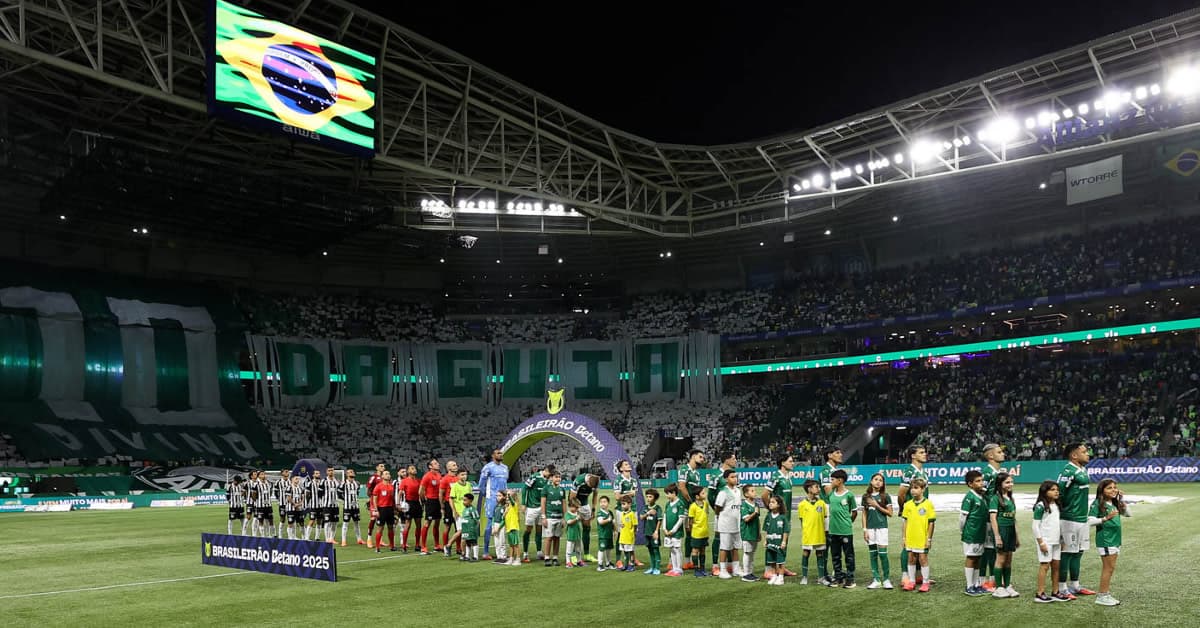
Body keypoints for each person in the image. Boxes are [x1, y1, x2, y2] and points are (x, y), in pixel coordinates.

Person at [1056, 443, 1096, 599]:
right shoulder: (1068, 471)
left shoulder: (1083, 470)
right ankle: (1062, 588)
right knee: (1067, 553)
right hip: (1069, 519)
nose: (1088, 454)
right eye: (1084, 452)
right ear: (1074, 455)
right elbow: (1058, 494)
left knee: (1078, 553)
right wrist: (1064, 512)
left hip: (1082, 518)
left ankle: (1075, 585)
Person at [1088, 478, 1127, 607]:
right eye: (1109, 488)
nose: (1113, 490)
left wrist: (1122, 501)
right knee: (1108, 568)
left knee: (1110, 568)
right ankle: (1102, 596)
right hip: (1106, 540)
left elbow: (1128, 514)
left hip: (1115, 539)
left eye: (1115, 487)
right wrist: (1105, 518)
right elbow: (1089, 521)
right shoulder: (1098, 503)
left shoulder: (1114, 502)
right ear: (1102, 490)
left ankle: (1105, 594)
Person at [897, 444, 929, 587]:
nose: (925, 454)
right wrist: (903, 509)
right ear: (913, 456)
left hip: (923, 513)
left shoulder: (923, 472)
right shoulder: (909, 471)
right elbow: (901, 494)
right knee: (908, 545)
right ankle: (905, 576)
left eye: (924, 452)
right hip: (912, 513)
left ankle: (918, 575)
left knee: (921, 544)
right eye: (921, 452)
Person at [1031, 480, 1064, 603]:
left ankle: (1055, 592)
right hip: (1046, 541)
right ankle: (1040, 593)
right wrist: (1041, 542)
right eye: (1052, 490)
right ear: (1045, 491)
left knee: (1056, 566)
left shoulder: (1057, 505)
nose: (1056, 492)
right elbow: (1035, 526)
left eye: (1057, 490)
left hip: (1056, 541)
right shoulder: (1041, 506)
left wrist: (1061, 540)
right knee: (1045, 566)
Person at [988, 472, 1019, 598]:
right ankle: (998, 587)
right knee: (1000, 558)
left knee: (1009, 559)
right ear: (1000, 484)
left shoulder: (1011, 498)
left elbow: (1013, 518)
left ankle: (1007, 585)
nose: (1010, 484)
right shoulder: (995, 499)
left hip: (1011, 530)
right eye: (1007, 482)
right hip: (1001, 530)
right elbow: (993, 518)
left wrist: (1017, 535)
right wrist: (997, 536)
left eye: (1011, 482)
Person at [705, 452, 738, 574]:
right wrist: (717, 511)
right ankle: (715, 565)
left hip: (733, 513)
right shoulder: (716, 476)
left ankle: (729, 565)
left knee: (732, 538)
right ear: (726, 460)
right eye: (733, 458)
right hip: (721, 512)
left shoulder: (734, 475)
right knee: (719, 537)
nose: (736, 460)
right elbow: (710, 496)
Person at [901, 477, 936, 593]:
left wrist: (929, 539)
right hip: (911, 537)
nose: (913, 490)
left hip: (922, 537)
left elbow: (931, 523)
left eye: (916, 488)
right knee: (911, 558)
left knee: (922, 559)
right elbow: (905, 522)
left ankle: (925, 582)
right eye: (912, 488)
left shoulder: (928, 504)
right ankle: (911, 581)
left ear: (923, 489)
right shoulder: (908, 505)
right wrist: (904, 537)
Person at [861, 471, 894, 590]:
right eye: (876, 479)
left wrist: (877, 505)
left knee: (883, 554)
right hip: (870, 529)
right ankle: (876, 579)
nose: (878, 482)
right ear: (871, 481)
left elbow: (890, 513)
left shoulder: (885, 496)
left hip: (882, 528)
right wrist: (865, 530)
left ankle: (886, 579)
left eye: (880, 480)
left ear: (883, 483)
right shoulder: (866, 497)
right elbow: (864, 514)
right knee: (873, 554)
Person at [979, 443, 1005, 592]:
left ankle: (993, 578)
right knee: (988, 548)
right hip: (989, 517)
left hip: (997, 515)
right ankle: (985, 580)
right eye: (999, 452)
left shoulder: (998, 472)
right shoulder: (987, 473)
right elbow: (981, 493)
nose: (1003, 454)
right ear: (990, 455)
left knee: (994, 548)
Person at [827, 468, 858, 588]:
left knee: (849, 556)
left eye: (833, 479)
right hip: (833, 530)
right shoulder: (831, 494)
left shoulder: (849, 495)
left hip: (845, 530)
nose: (831, 482)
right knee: (835, 555)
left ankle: (850, 579)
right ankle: (838, 578)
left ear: (840, 480)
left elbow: (854, 512)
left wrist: (848, 523)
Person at [960, 469, 989, 596]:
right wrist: (963, 530)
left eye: (981, 480)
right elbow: (962, 517)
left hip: (981, 533)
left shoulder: (983, 496)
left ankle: (977, 584)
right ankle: (969, 586)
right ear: (970, 484)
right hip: (971, 533)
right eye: (978, 481)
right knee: (971, 557)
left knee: (978, 559)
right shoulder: (969, 497)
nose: (981, 483)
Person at [477, 448, 509, 560]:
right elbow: (481, 484)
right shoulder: (488, 467)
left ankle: (501, 550)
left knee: (504, 522)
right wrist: (488, 496)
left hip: (504, 499)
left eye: (501, 453)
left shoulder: (505, 468)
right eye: (498, 453)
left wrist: (506, 497)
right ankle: (485, 552)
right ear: (493, 455)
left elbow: (505, 484)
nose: (501, 454)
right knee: (490, 524)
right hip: (492, 499)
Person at [797, 478, 829, 586]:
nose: (819, 489)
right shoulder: (802, 505)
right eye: (816, 487)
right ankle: (804, 577)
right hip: (808, 535)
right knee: (806, 553)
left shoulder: (822, 503)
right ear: (809, 489)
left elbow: (824, 518)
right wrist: (805, 532)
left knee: (820, 554)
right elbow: (802, 521)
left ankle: (821, 578)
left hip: (819, 534)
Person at [818, 447, 843, 581]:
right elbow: (828, 490)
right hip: (828, 508)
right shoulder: (826, 471)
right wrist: (837, 482)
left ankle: (835, 571)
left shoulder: (835, 471)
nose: (841, 454)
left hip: (835, 508)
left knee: (836, 540)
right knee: (827, 542)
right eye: (837, 452)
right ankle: (823, 573)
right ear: (829, 455)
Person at [677, 449, 705, 568]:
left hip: (692, 508)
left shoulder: (697, 473)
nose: (703, 459)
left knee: (690, 533)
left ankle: (687, 561)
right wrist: (690, 501)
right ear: (693, 457)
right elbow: (682, 487)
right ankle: (672, 563)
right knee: (677, 534)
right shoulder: (684, 469)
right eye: (700, 457)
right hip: (683, 506)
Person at [612, 460, 643, 568]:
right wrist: (629, 493)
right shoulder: (618, 480)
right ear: (621, 469)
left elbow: (634, 495)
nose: (628, 465)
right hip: (622, 511)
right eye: (625, 464)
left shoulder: (634, 480)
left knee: (632, 534)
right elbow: (617, 497)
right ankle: (618, 560)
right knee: (621, 534)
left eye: (628, 464)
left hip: (633, 510)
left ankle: (632, 558)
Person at [713, 469, 742, 580]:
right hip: (726, 524)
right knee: (724, 548)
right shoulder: (723, 492)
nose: (735, 479)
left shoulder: (738, 491)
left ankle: (736, 569)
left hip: (736, 524)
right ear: (726, 479)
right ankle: (723, 570)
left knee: (736, 547)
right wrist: (721, 517)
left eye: (736, 477)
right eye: (732, 477)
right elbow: (717, 507)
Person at [522, 465, 551, 562]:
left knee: (539, 530)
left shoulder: (548, 480)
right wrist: (523, 504)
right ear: (546, 470)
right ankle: (525, 553)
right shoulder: (535, 477)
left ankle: (539, 552)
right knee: (528, 530)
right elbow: (525, 488)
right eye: (550, 474)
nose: (550, 476)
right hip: (531, 507)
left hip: (541, 508)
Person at [570, 472, 600, 562]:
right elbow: (572, 498)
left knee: (587, 528)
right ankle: (573, 555)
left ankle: (587, 554)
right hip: (574, 504)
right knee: (575, 529)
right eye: (590, 486)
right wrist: (578, 509)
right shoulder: (579, 481)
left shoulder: (596, 482)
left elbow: (595, 496)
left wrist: (593, 509)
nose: (591, 488)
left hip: (585, 505)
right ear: (587, 481)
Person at [762, 494, 790, 586]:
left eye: (773, 502)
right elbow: (765, 529)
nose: (770, 504)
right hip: (770, 543)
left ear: (778, 505)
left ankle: (781, 578)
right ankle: (774, 576)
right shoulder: (768, 516)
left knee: (780, 562)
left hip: (779, 543)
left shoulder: (783, 517)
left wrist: (784, 541)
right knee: (772, 561)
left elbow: (786, 531)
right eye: (770, 502)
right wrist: (765, 540)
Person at [541, 470, 566, 567]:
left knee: (557, 538)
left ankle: (555, 557)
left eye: (559, 477)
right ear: (551, 478)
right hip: (549, 517)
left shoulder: (562, 490)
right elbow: (543, 503)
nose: (558, 479)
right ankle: (547, 557)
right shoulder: (546, 488)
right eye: (556, 477)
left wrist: (564, 517)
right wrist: (543, 517)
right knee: (549, 538)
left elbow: (564, 504)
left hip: (559, 517)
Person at [418, 459, 443, 554]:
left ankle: (437, 545)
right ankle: (423, 546)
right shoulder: (427, 476)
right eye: (435, 463)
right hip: (430, 501)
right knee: (427, 523)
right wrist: (424, 501)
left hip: (438, 501)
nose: (438, 464)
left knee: (437, 523)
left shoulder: (439, 475)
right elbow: (421, 491)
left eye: (437, 463)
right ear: (430, 466)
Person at [445, 468, 472, 558]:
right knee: (461, 531)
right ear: (457, 476)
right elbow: (451, 499)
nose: (464, 476)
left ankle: (464, 551)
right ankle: (449, 545)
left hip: (468, 512)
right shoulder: (455, 486)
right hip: (460, 512)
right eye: (462, 475)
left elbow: (470, 499)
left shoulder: (469, 485)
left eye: (465, 474)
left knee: (465, 532)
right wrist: (454, 511)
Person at [370, 469, 397, 552]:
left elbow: (393, 499)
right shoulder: (378, 486)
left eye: (388, 473)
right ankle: (377, 547)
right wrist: (376, 510)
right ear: (382, 476)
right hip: (381, 509)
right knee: (380, 528)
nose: (388, 475)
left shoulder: (392, 487)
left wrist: (395, 509)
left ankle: (392, 546)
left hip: (390, 509)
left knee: (391, 527)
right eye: (386, 474)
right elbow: (374, 499)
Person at [661, 485, 685, 576]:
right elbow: (665, 516)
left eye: (668, 494)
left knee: (677, 549)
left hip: (676, 532)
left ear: (674, 493)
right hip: (668, 532)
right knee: (671, 549)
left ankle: (679, 569)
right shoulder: (668, 504)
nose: (667, 496)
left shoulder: (680, 503)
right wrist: (664, 528)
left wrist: (673, 530)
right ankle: (674, 568)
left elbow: (681, 519)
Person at [687, 487, 710, 577]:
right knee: (695, 550)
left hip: (705, 532)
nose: (705, 494)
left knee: (703, 550)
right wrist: (692, 530)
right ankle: (696, 570)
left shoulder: (706, 504)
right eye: (703, 493)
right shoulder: (693, 506)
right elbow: (690, 521)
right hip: (696, 533)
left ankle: (702, 569)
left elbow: (706, 514)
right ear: (697, 496)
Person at [739, 485, 760, 582]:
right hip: (747, 533)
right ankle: (746, 574)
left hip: (754, 532)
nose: (754, 492)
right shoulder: (744, 505)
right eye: (752, 491)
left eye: (754, 490)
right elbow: (746, 519)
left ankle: (750, 573)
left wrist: (759, 532)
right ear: (746, 494)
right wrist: (755, 513)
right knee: (747, 553)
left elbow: (757, 520)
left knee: (752, 554)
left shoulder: (756, 504)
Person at [440, 460, 462, 553]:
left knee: (458, 528)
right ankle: (445, 546)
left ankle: (458, 548)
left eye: (456, 465)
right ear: (448, 468)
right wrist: (442, 506)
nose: (456, 466)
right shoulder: (445, 479)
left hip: (458, 505)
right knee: (447, 526)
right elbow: (441, 494)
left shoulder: (458, 478)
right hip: (448, 505)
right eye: (454, 465)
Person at [398, 465, 421, 552]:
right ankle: (404, 545)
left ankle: (417, 545)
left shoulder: (418, 480)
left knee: (418, 525)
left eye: (414, 468)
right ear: (408, 471)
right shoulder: (404, 481)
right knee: (408, 524)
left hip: (417, 504)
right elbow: (400, 493)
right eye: (412, 468)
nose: (414, 469)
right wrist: (398, 504)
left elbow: (421, 492)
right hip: (409, 504)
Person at [641, 488, 663, 575]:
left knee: (655, 550)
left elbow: (659, 520)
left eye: (650, 497)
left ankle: (657, 568)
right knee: (650, 550)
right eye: (647, 496)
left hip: (654, 533)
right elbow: (641, 517)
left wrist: (656, 531)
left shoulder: (658, 508)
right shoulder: (645, 507)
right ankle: (652, 567)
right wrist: (648, 513)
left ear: (655, 498)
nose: (648, 498)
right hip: (647, 532)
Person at [339, 468, 362, 547]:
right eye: (350, 472)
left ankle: (359, 539)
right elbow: (339, 493)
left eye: (353, 472)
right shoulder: (343, 483)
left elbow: (357, 492)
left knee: (357, 523)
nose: (352, 473)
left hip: (355, 507)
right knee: (345, 523)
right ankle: (343, 541)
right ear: (347, 474)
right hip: (347, 507)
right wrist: (345, 500)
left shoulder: (357, 483)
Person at [365, 463, 386, 548]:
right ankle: (369, 539)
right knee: (373, 519)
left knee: (381, 519)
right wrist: (371, 498)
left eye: (383, 466)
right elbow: (368, 488)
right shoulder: (373, 477)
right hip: (374, 500)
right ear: (377, 468)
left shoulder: (385, 477)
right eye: (381, 466)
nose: (383, 467)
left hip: (383, 501)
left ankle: (380, 540)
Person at [596, 495, 617, 571]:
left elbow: (613, 522)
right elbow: (601, 522)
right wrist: (608, 520)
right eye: (601, 502)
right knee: (601, 549)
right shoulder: (599, 513)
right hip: (603, 535)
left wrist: (615, 531)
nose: (603, 503)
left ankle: (608, 563)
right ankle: (600, 564)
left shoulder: (610, 512)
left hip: (609, 535)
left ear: (608, 503)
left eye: (604, 502)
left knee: (608, 549)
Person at [618, 495, 639, 572]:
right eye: (621, 504)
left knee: (631, 551)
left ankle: (632, 565)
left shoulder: (631, 514)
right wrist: (621, 525)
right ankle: (626, 565)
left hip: (629, 537)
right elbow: (623, 523)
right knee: (625, 552)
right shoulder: (623, 513)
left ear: (629, 504)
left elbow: (635, 524)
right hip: (623, 537)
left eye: (624, 504)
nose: (622, 506)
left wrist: (634, 533)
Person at [320, 468, 340, 544]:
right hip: (326, 505)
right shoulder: (323, 481)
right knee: (327, 522)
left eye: (332, 470)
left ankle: (332, 538)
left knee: (334, 523)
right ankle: (327, 539)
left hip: (335, 505)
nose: (331, 472)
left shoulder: (337, 481)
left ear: (334, 472)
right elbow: (319, 493)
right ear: (326, 472)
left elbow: (339, 492)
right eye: (329, 470)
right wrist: (322, 502)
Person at [459, 493, 480, 562]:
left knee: (473, 542)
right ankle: (467, 556)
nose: (463, 502)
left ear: (470, 501)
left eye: (465, 500)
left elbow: (477, 520)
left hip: (471, 529)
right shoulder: (465, 509)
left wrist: (475, 528)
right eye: (463, 500)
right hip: (465, 529)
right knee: (467, 542)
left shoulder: (472, 509)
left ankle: (475, 557)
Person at [505, 489, 522, 566]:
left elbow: (512, 501)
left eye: (508, 497)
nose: (507, 498)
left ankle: (518, 559)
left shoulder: (514, 505)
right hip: (509, 528)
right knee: (511, 544)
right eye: (507, 497)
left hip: (514, 527)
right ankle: (511, 558)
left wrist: (509, 495)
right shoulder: (507, 507)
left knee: (516, 544)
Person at [564, 498, 584, 568]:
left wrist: (580, 518)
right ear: (570, 506)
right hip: (571, 535)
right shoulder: (567, 514)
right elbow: (569, 522)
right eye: (576, 507)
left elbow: (580, 520)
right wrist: (576, 519)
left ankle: (579, 561)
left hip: (578, 534)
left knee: (579, 549)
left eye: (578, 507)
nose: (577, 509)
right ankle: (568, 562)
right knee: (569, 549)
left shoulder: (577, 513)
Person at [490, 491, 509, 563]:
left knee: (502, 542)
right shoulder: (496, 506)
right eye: (497, 496)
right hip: (495, 525)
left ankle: (503, 557)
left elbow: (504, 520)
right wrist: (493, 527)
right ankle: (499, 556)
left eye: (500, 495)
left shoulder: (505, 507)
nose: (498, 497)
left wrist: (498, 528)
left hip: (501, 526)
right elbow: (493, 517)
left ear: (504, 497)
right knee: (496, 542)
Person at [286, 474, 305, 540]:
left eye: (298, 479)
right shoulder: (289, 487)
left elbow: (303, 497)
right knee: (291, 523)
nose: (297, 480)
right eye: (296, 479)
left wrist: (299, 504)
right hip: (290, 508)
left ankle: (304, 537)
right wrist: (295, 504)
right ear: (292, 479)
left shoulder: (301, 488)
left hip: (299, 508)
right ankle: (290, 537)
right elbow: (288, 498)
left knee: (301, 523)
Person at [273, 469, 291, 538]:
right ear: (282, 473)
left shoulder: (291, 481)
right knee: (282, 519)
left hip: (290, 504)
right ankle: (280, 534)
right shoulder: (278, 482)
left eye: (287, 471)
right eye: (285, 471)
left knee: (291, 519)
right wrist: (278, 500)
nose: (287, 472)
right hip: (282, 503)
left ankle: (291, 535)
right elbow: (275, 492)